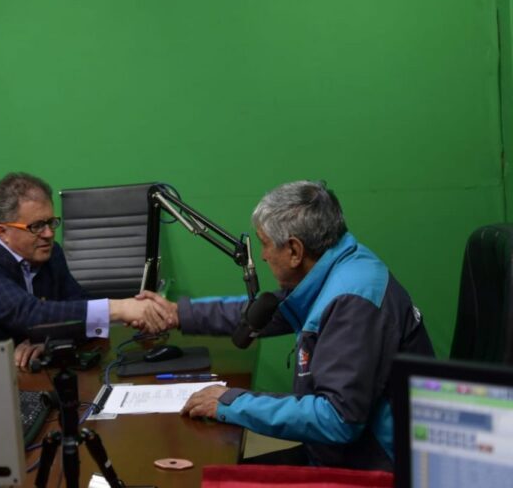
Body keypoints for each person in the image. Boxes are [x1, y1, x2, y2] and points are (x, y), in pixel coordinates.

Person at [142, 180, 434, 471]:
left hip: (372, 468)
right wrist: (178, 313)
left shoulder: (351, 302)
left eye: (265, 243)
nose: (263, 255)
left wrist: (232, 403)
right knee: (219, 472)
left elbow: (338, 419)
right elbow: (261, 312)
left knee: (210, 478)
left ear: (294, 250)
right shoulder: (338, 267)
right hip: (341, 454)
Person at [0, 172, 174, 368]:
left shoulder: (48, 253)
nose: (48, 234)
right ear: (3, 232)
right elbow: (29, 314)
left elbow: (77, 305)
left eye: (51, 222)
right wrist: (120, 308)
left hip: (18, 374)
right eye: (36, 226)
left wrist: (51, 339)